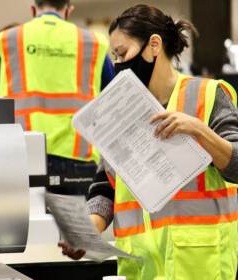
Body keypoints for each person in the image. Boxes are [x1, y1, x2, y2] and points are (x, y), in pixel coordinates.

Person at [59, 4, 238, 279]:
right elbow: (106, 187)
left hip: (200, 265)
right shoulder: (119, 112)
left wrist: (199, 131)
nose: (117, 64)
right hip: (140, 268)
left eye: (122, 53)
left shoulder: (208, 95)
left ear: (154, 45)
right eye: (114, 56)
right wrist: (86, 232)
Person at [0, 0, 114, 194]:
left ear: (33, 9)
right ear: (68, 11)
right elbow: (113, 99)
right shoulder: (92, 43)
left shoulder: (8, 40)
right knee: (72, 224)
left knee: (24, 224)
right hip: (77, 160)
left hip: (20, 156)